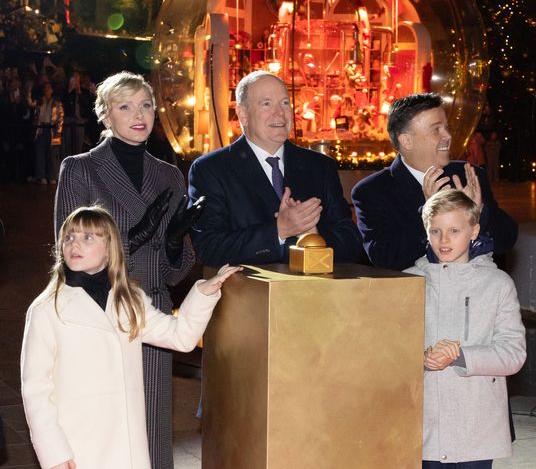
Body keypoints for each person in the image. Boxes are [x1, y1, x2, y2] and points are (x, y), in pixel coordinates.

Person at [21, 206, 240, 469]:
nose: (75, 243)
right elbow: (35, 389)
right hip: (78, 445)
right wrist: (54, 453)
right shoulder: (47, 308)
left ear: (110, 248)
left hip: (127, 447)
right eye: (69, 237)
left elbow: (180, 337)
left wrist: (204, 292)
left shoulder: (129, 299)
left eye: (88, 237)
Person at [54, 71, 198, 469]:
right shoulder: (80, 169)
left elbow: (174, 273)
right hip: (97, 315)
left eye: (146, 105)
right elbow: (68, 258)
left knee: (150, 430)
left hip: (149, 313)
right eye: (125, 106)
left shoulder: (169, 175)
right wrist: (133, 237)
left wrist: (172, 244)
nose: (139, 115)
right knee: (102, 427)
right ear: (105, 116)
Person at [403, 190, 526, 467]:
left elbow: (514, 353)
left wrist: (460, 356)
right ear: (426, 231)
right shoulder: (408, 282)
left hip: (476, 426)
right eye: (435, 231)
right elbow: (385, 349)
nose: (444, 240)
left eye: (454, 230)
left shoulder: (497, 284)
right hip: (421, 425)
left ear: (474, 231)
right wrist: (418, 358)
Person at [188, 70, 362, 266]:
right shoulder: (212, 169)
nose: (280, 113)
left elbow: (351, 242)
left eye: (285, 103)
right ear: (243, 115)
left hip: (317, 292)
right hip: (248, 293)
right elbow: (209, 248)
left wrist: (313, 237)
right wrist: (279, 230)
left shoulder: (319, 166)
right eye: (266, 104)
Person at [352, 93, 517, 271]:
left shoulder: (468, 175)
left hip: (472, 293)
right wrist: (428, 213)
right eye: (436, 130)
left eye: (446, 128)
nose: (447, 136)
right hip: (416, 295)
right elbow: (386, 258)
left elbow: (506, 240)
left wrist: (477, 212)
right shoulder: (373, 191)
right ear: (406, 141)